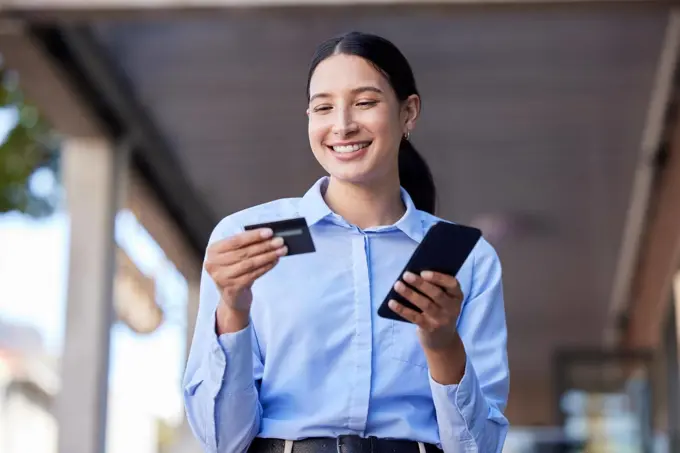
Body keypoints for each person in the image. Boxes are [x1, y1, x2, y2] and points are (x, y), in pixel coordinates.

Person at [183, 31, 509, 453]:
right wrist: (232, 310)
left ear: (408, 113)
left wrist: (442, 344)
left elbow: (478, 448)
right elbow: (223, 441)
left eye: (365, 102)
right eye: (323, 107)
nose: (342, 124)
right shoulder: (251, 240)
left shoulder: (467, 261)